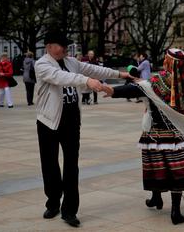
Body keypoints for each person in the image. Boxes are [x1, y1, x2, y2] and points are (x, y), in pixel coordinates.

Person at [34, 30, 131, 227]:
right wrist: (86, 81)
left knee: (71, 166)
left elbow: (94, 70)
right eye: (60, 45)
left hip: (71, 121)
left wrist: (120, 74)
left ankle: (69, 210)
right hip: (48, 122)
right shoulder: (42, 64)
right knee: (50, 165)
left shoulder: (72, 62)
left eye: (65, 45)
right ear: (49, 47)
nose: (64, 49)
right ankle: (53, 201)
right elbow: (61, 78)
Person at [102, 48, 184, 225]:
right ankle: (175, 211)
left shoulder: (159, 80)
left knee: (155, 167)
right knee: (177, 172)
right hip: (178, 135)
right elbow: (148, 86)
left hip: (155, 133)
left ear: (168, 62)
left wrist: (113, 91)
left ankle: (156, 198)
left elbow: (140, 89)